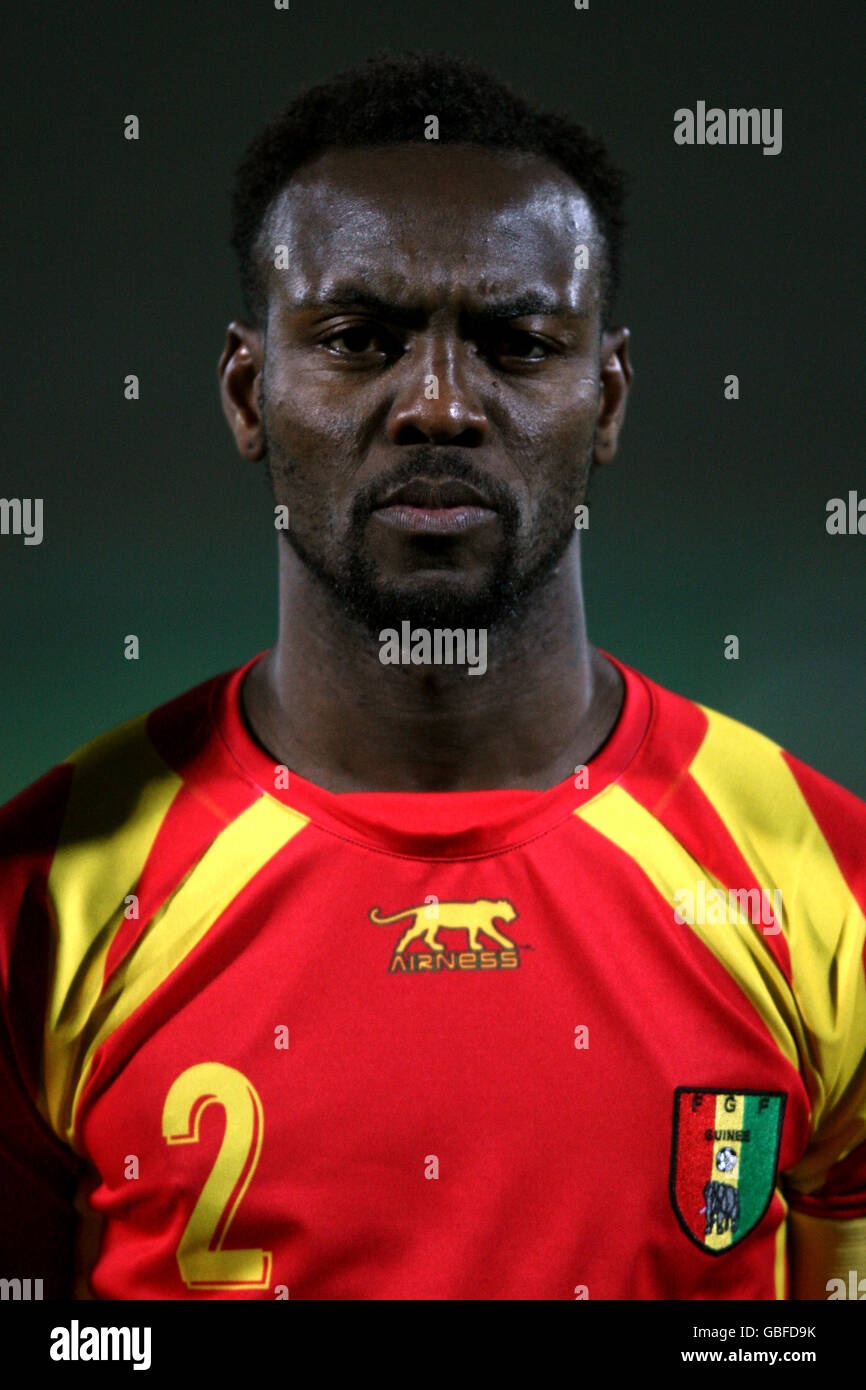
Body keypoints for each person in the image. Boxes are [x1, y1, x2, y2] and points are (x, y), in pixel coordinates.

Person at [1, 52, 863, 1301]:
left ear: (605, 400)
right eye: (359, 340)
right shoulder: (45, 903)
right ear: (250, 394)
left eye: (515, 342)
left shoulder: (822, 885)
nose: (440, 406)